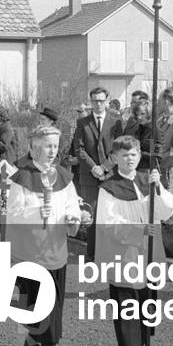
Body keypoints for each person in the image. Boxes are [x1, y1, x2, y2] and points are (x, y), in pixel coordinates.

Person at [0, 124, 87, 346]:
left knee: (53, 305)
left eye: (55, 146)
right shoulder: (20, 177)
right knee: (32, 303)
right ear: (33, 147)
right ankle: (38, 344)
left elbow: (72, 204)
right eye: (47, 146)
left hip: (55, 249)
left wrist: (73, 218)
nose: (52, 151)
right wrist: (36, 212)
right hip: (28, 250)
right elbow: (12, 213)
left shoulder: (63, 176)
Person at [95, 135, 173, 346]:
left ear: (140, 155)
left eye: (133, 154)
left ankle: (143, 343)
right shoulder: (109, 188)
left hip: (149, 247)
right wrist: (139, 229)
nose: (129, 158)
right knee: (127, 299)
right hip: (124, 250)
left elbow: (165, 211)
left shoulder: (147, 180)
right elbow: (107, 221)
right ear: (114, 158)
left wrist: (158, 186)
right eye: (124, 155)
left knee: (147, 297)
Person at [70, 87, 122, 260]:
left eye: (101, 100)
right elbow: (79, 149)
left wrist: (105, 167)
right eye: (95, 101)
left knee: (110, 216)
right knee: (91, 217)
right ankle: (92, 255)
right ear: (91, 102)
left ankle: (110, 254)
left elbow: (119, 149)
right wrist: (94, 168)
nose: (98, 104)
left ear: (107, 101)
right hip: (89, 177)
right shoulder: (82, 123)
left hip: (110, 177)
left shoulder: (116, 122)